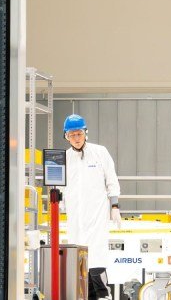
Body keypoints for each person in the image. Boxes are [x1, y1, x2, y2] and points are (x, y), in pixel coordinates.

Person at [62, 114, 121, 300]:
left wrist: (115, 206)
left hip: (97, 213)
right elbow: (59, 186)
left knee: (96, 255)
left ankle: (103, 295)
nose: (76, 138)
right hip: (75, 216)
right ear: (66, 137)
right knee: (78, 257)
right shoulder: (64, 157)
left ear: (85, 133)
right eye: (72, 135)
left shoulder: (100, 152)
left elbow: (111, 179)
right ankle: (84, 296)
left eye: (79, 134)